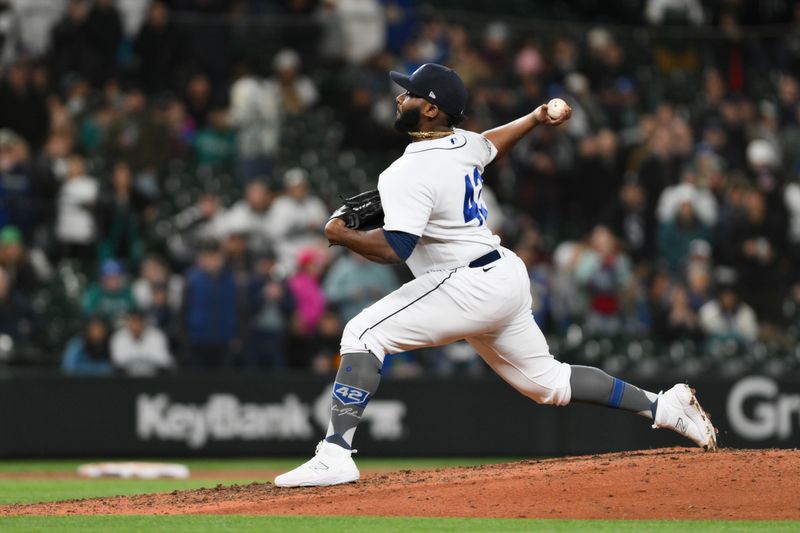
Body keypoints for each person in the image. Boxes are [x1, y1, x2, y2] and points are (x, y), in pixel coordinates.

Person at [275, 63, 717, 488]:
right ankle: (664, 405)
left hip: (464, 281)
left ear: (430, 108)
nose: (398, 97)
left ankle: (334, 455)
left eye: (408, 92)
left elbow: (395, 249)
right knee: (550, 382)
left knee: (362, 333)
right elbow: (490, 144)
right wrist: (535, 117)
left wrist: (340, 233)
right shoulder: (462, 144)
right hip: (502, 275)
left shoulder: (407, 170)